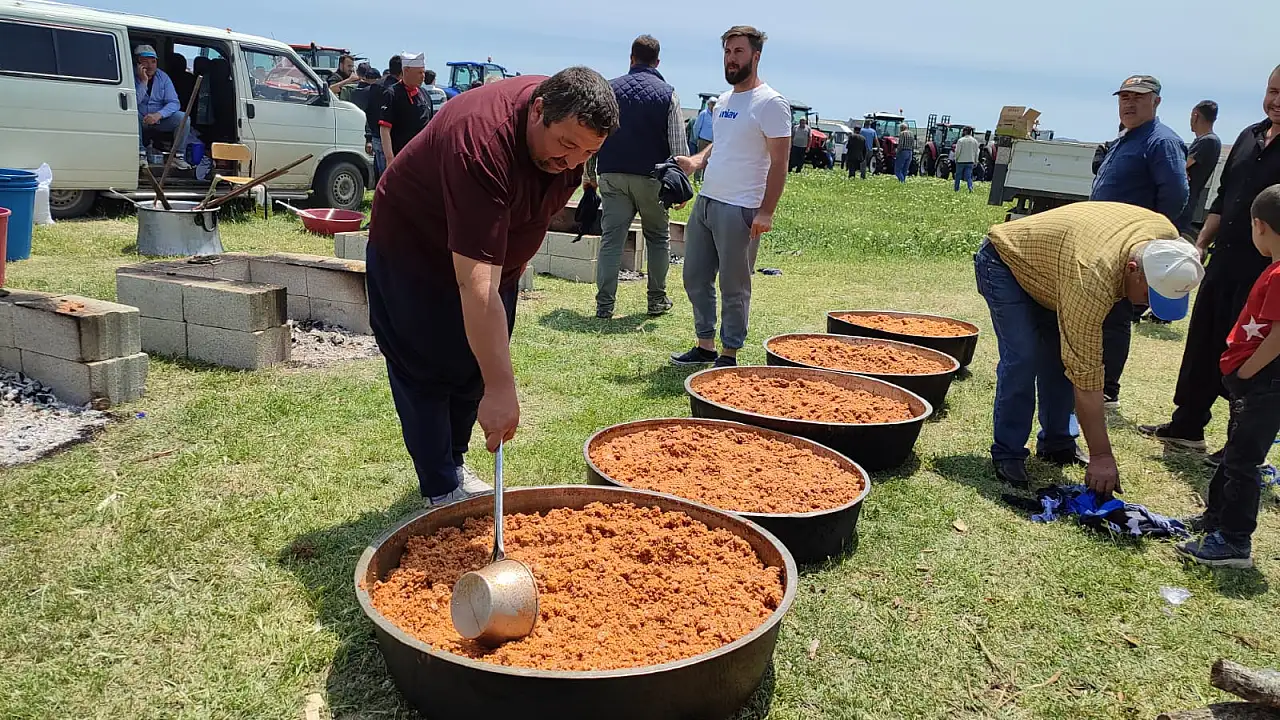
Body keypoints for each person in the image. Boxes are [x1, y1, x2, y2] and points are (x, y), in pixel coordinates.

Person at [366, 67, 619, 505]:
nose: (574, 162)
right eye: (567, 146)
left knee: (474, 365)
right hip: (416, 253)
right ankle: (441, 488)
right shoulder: (482, 141)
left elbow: (493, 270)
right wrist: (503, 389)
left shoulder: (564, 131)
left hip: (493, 264)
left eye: (588, 152)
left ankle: (455, 462)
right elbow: (474, 284)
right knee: (424, 367)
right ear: (538, 110)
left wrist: (491, 375)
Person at [973, 202, 1204, 490]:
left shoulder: (1166, 239)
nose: (1147, 306)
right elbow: (1087, 377)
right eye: (1148, 295)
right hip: (1006, 260)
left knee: (1061, 358)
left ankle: (1058, 442)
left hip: (1055, 269)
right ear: (1133, 270)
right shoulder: (1092, 278)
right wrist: (1102, 455)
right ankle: (1008, 451)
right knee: (1024, 356)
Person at [1140, 66, 1280, 460]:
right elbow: (1223, 199)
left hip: (1267, 271)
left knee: (1251, 351)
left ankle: (1240, 444)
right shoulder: (1247, 136)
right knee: (1203, 341)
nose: (1276, 101)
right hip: (1225, 260)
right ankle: (1187, 425)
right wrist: (1200, 244)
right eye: (1272, 91)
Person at [670, 25, 790, 368]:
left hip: (741, 207)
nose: (731, 59)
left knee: (734, 285)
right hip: (707, 202)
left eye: (738, 52)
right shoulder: (723, 101)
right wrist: (696, 161)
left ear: (755, 55)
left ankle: (729, 353)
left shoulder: (771, 103)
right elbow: (721, 143)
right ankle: (705, 344)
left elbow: (780, 163)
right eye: (727, 52)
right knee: (694, 275)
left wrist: (766, 212)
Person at [1175, 185, 1280, 568]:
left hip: (1263, 383)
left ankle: (1234, 542)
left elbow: (1278, 334)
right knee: (1233, 455)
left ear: (1259, 226)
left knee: (1242, 463)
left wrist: (1248, 371)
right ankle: (1215, 518)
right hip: (1253, 383)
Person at [1090, 74, 1190, 407]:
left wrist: (1148, 239)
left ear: (1156, 101)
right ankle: (1091, 377)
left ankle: (1107, 388)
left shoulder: (1161, 141)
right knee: (1098, 312)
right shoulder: (1126, 138)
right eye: (1124, 98)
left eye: (1138, 97)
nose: (1129, 104)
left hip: (1128, 245)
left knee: (1116, 315)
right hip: (1103, 241)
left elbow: (1176, 195)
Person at [585, 34, 686, 319]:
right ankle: (656, 300)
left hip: (613, 174)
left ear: (631, 58)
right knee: (657, 238)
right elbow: (678, 146)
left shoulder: (608, 89)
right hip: (652, 177)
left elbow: (595, 133)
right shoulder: (668, 93)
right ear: (657, 62)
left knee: (611, 240)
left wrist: (589, 174)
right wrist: (679, 186)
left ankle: (604, 306)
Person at [134, 45, 192, 170]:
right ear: (138, 63)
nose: (150, 65)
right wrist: (144, 82)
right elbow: (132, 102)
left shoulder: (163, 77)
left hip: (158, 119)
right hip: (139, 119)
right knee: (133, 115)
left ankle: (177, 157)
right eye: (145, 62)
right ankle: (140, 154)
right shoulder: (131, 75)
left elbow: (174, 103)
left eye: (153, 62)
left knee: (183, 118)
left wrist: (158, 115)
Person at [1176, 100, 1223, 237]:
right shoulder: (1209, 141)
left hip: (1184, 201)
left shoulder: (1207, 141)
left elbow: (1180, 168)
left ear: (1195, 115)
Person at [378, 52, 433, 166]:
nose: (423, 76)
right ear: (406, 71)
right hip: (401, 156)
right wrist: (389, 159)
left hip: (423, 156)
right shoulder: (392, 94)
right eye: (419, 72)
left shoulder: (424, 94)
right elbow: (385, 129)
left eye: (423, 72)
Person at [368, 55, 402, 181]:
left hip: (377, 135)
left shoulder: (376, 85)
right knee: (392, 177)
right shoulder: (397, 89)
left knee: (382, 176)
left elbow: (369, 111)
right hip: (392, 138)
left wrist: (370, 135)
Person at [351, 64, 384, 185]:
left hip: (356, 130)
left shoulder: (354, 92)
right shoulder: (373, 93)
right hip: (372, 133)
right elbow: (370, 116)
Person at [954, 127, 980, 192]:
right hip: (970, 161)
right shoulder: (975, 141)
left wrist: (956, 158)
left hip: (961, 161)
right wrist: (976, 161)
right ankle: (970, 187)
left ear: (964, 132)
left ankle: (956, 189)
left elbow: (957, 151)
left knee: (958, 176)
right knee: (969, 176)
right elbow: (977, 153)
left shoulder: (961, 140)